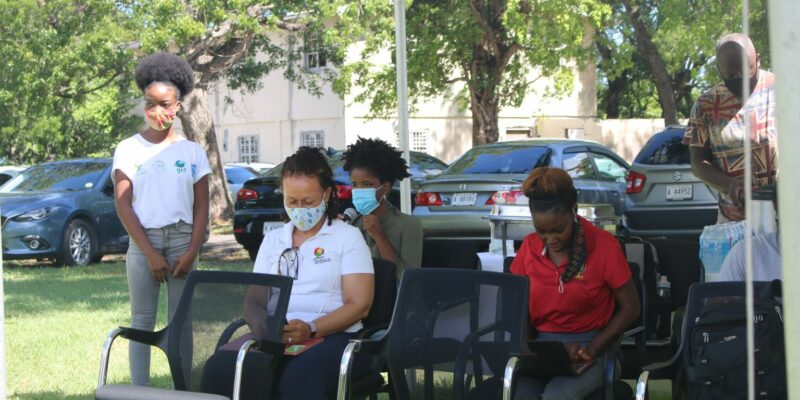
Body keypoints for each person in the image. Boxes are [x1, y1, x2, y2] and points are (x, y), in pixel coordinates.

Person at [113, 53, 210, 386]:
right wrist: (151, 253)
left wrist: (193, 249)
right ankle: (139, 391)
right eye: (149, 103)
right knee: (141, 321)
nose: (157, 111)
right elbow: (124, 205)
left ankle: (182, 388)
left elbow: (201, 206)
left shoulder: (193, 152)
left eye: (164, 103)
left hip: (185, 241)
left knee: (180, 322)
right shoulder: (128, 148)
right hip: (144, 244)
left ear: (178, 105)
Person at [252, 147, 374, 399]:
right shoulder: (274, 240)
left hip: (333, 337)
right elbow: (255, 300)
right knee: (222, 369)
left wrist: (311, 328)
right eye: (292, 201)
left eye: (308, 202)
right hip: (277, 337)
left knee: (299, 380)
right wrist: (264, 329)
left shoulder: (347, 238)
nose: (300, 209)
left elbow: (359, 305)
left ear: (327, 194)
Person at [509, 167, 640, 399]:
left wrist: (592, 348)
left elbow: (631, 308)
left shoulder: (604, 246)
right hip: (542, 350)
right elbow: (515, 309)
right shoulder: (528, 250)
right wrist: (529, 350)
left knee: (557, 396)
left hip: (594, 349)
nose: (551, 240)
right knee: (519, 394)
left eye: (559, 230)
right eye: (542, 231)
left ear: (574, 210)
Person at [686, 33, 777, 223]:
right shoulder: (705, 105)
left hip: (787, 217)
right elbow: (697, 163)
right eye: (732, 75)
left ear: (758, 60)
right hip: (735, 221)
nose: (740, 78)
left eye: (746, 70)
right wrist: (729, 184)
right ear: (720, 70)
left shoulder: (784, 89)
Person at [342, 137, 423, 277]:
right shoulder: (353, 224)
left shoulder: (408, 225)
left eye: (367, 184)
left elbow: (407, 279)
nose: (359, 190)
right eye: (355, 185)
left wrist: (380, 237)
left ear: (385, 187)